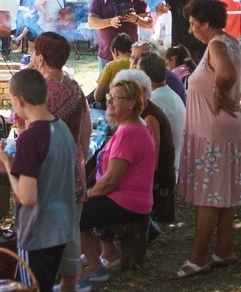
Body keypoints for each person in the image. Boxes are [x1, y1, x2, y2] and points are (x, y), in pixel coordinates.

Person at [174, 0, 241, 279]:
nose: (192, 29)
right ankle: (224, 249)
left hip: (214, 133)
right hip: (229, 128)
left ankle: (197, 259)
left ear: (206, 22)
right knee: (224, 194)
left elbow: (228, 72)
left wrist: (221, 91)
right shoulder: (232, 42)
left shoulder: (217, 45)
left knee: (208, 198)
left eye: (194, 23)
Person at [0, 69, 76, 292]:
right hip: (61, 226)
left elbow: (27, 198)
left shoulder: (30, 137)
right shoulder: (62, 127)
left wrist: (8, 165)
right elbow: (49, 170)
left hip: (38, 231)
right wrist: (13, 165)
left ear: (19, 100)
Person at [77, 79, 156, 289]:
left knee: (74, 214)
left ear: (131, 103)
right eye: (109, 96)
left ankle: (95, 266)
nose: (109, 101)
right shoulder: (133, 126)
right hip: (132, 198)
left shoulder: (129, 132)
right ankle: (100, 253)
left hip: (127, 201)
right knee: (79, 206)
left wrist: (90, 193)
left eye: (116, 97)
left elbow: (112, 180)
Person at [28, 33, 91, 292]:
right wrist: (80, 158)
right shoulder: (75, 85)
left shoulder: (40, 91)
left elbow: (28, 133)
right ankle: (68, 286)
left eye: (34, 52)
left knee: (47, 238)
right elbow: (86, 129)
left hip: (49, 174)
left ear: (41, 58)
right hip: (74, 169)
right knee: (71, 235)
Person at [111, 70, 176, 223]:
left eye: (121, 95)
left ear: (141, 92)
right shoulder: (141, 112)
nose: (115, 100)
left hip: (156, 189)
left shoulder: (149, 117)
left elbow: (152, 164)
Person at [87, 0, 152, 73]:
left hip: (132, 56)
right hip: (107, 54)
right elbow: (91, 22)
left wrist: (136, 19)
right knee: (107, 87)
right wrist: (110, 22)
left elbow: (149, 23)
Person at [138, 52, 186, 180]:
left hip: (164, 175)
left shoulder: (155, 101)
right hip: (174, 165)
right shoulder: (167, 93)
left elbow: (150, 153)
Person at [155, 0, 206, 64]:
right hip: (179, 50)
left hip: (199, 48)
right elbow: (161, 8)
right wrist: (160, 8)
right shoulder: (173, 0)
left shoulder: (202, 0)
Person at [130, 40, 186, 104]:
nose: (134, 62)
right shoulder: (147, 78)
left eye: (139, 58)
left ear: (153, 59)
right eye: (133, 57)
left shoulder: (165, 79)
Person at [92, 32, 132, 105]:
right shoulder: (138, 63)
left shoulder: (111, 66)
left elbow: (98, 96)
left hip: (116, 106)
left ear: (115, 51)